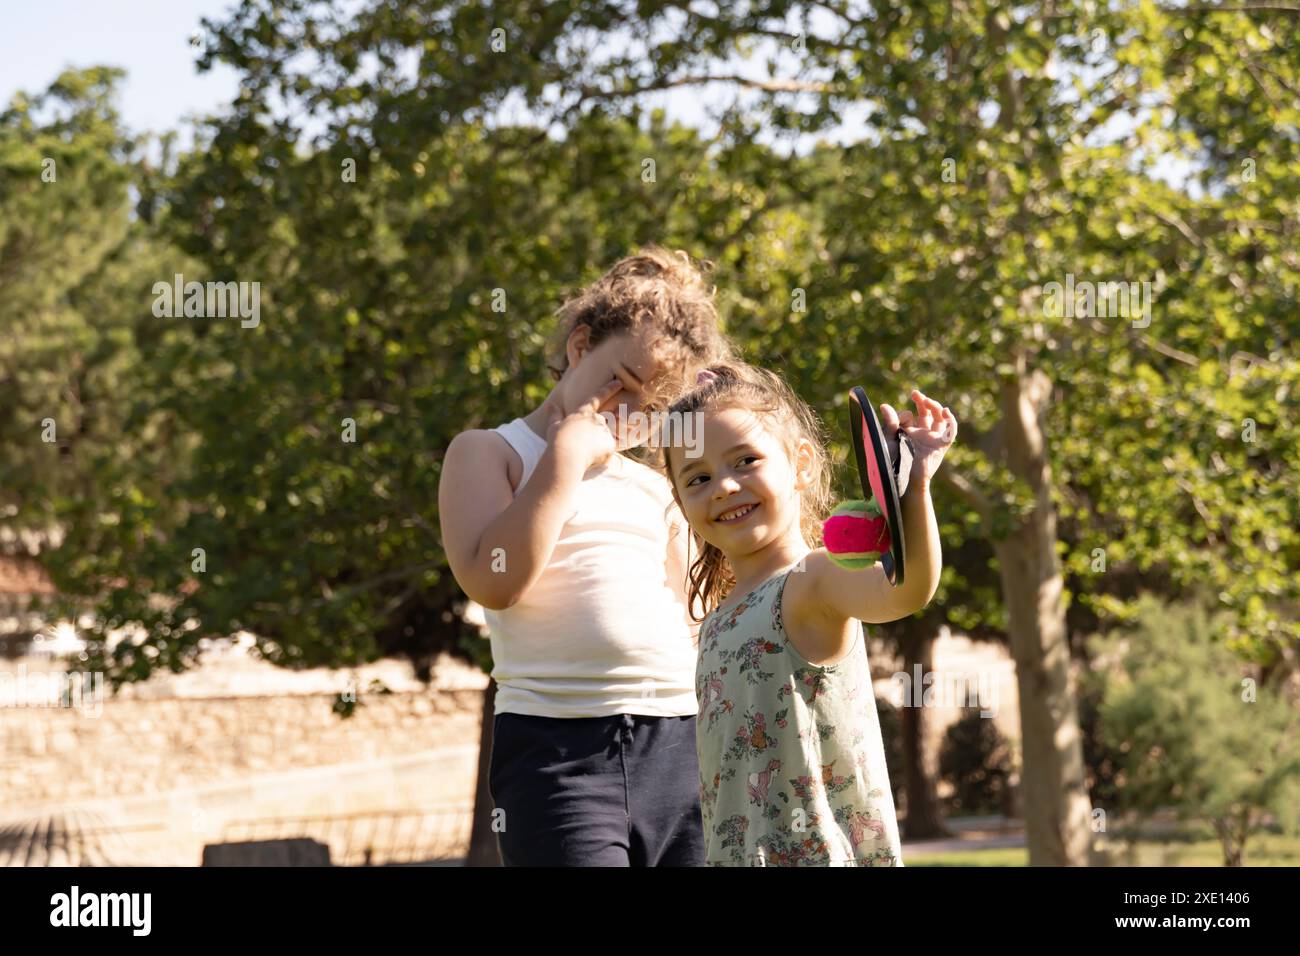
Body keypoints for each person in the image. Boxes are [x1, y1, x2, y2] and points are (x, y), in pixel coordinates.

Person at [438, 245, 731, 865]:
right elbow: (496, 582)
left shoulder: (656, 488)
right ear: (578, 347)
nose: (629, 414)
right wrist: (566, 455)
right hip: (557, 752)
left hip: (679, 742)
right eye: (619, 383)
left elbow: (692, 620)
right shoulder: (492, 452)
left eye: (653, 409)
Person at [660, 362, 958, 865]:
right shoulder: (717, 620)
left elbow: (906, 591)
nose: (724, 487)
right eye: (699, 478)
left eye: (746, 461)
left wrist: (914, 486)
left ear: (801, 464)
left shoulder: (812, 581)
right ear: (681, 501)